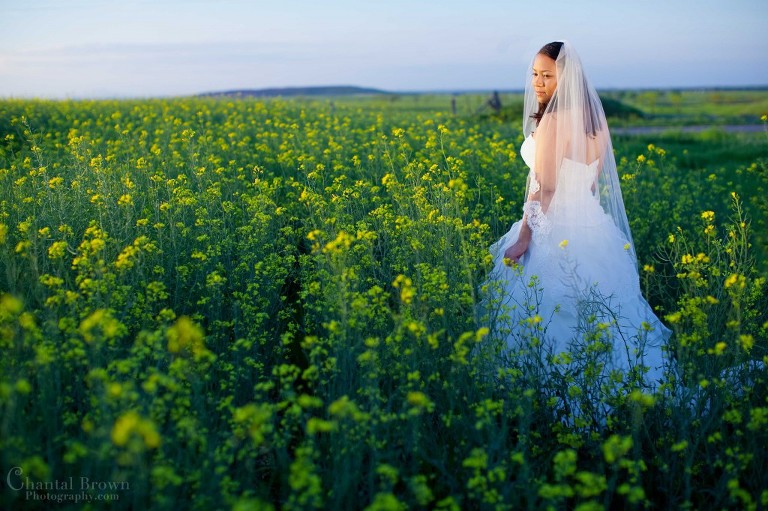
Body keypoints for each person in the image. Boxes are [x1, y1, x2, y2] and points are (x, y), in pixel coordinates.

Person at [486, 41, 671, 389]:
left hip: (553, 225)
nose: (537, 83)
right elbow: (590, 182)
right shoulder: (596, 121)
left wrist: (524, 238)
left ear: (566, 78)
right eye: (535, 74)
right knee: (604, 310)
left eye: (547, 75)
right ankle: (620, 382)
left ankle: (552, 390)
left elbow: (545, 186)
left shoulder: (555, 119)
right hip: (592, 226)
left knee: (548, 310)